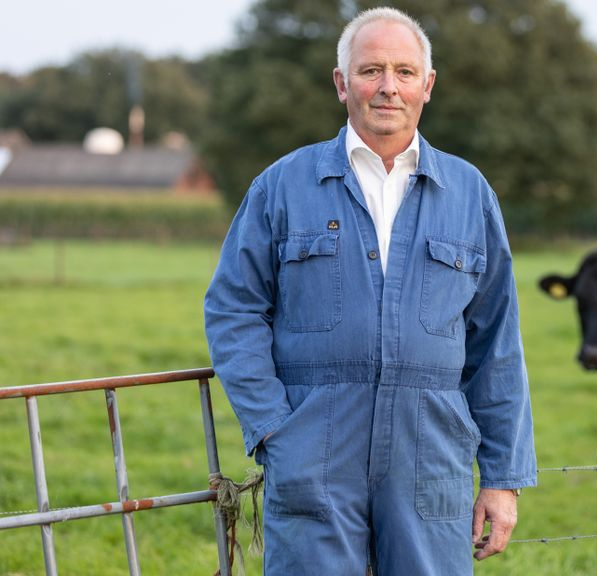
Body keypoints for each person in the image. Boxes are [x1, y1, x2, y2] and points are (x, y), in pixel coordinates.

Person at [204, 7, 537, 575]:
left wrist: (503, 478)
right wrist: (274, 428)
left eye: (405, 72)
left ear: (427, 85)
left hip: (430, 452)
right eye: (370, 70)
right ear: (342, 83)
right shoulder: (282, 185)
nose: (388, 87)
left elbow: (496, 341)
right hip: (313, 448)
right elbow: (233, 309)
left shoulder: (468, 193)